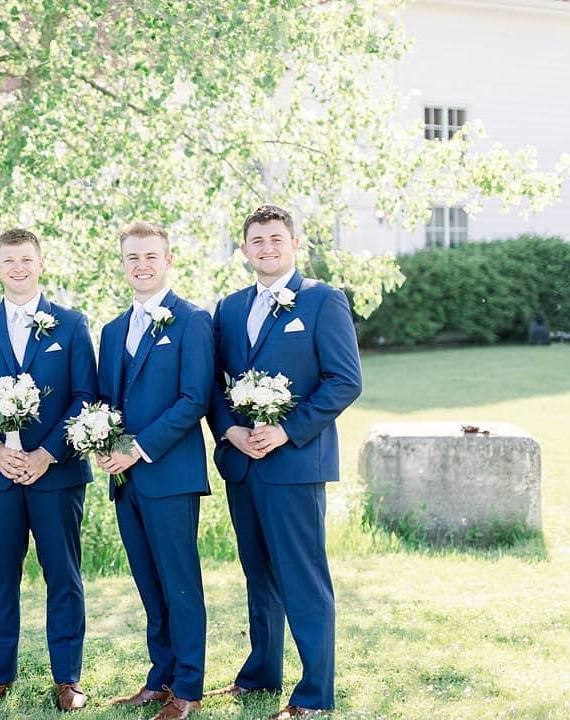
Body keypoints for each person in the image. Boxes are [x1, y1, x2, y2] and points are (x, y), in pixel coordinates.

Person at [205, 205, 362, 720]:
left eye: (276, 239)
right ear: (244, 250)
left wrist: (286, 430)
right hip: (243, 464)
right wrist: (229, 430)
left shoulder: (322, 300)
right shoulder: (229, 308)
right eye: (257, 240)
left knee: (303, 578)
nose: (267, 248)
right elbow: (214, 385)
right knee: (259, 575)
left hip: (295, 464)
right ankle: (259, 675)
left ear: (294, 244)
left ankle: (314, 694)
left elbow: (345, 380)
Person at [0, 228, 97, 712]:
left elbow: (84, 396)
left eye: (26, 259)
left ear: (40, 263)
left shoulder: (70, 324)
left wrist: (46, 454)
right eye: (9, 260)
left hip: (57, 474)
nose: (18, 268)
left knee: (63, 575)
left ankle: (68, 678)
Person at [96, 222, 214, 720]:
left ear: (168, 260)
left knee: (180, 583)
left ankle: (188, 687)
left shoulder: (193, 321)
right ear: (122, 263)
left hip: (170, 474)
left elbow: (194, 399)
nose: (141, 265)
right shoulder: (112, 331)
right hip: (124, 480)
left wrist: (137, 449)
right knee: (148, 581)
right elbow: (106, 403)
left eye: (150, 256)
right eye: (132, 257)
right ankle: (160, 677)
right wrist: (103, 444)